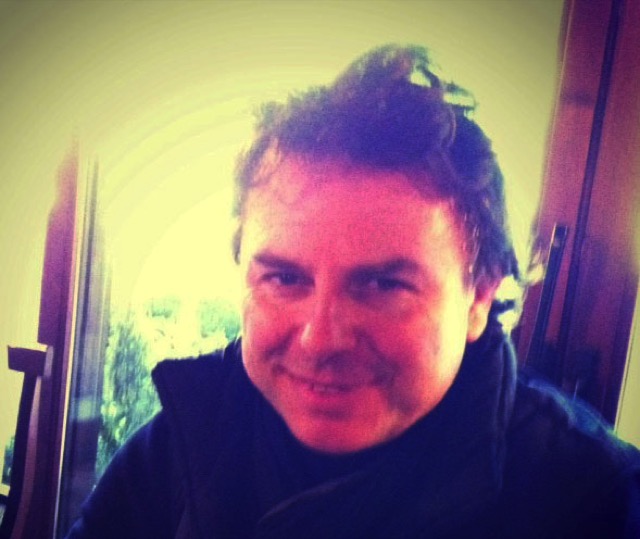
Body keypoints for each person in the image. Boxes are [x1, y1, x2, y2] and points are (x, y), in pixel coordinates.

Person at [66, 44, 640, 538]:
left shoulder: (594, 498)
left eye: (384, 284)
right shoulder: (184, 441)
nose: (319, 340)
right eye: (284, 278)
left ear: (479, 298)